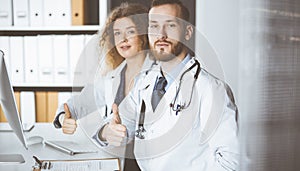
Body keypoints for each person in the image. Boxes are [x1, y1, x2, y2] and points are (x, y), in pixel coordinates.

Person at [98, 0, 239, 170]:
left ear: (187, 32)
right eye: (154, 26)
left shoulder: (210, 89)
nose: (161, 35)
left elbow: (232, 162)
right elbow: (118, 124)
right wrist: (107, 132)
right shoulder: (145, 83)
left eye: (170, 25)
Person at [52, 3, 151, 171]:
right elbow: (76, 104)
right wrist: (63, 117)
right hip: (116, 162)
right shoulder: (112, 77)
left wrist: (105, 133)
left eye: (130, 32)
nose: (123, 39)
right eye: (117, 33)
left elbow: (129, 126)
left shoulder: (159, 76)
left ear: (144, 35)